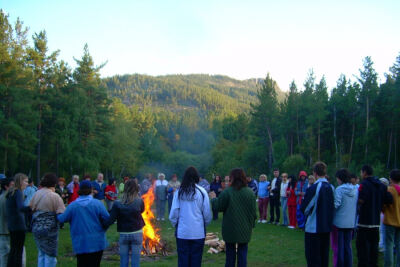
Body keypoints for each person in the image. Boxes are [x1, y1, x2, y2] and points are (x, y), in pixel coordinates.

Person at [210, 168, 257, 267]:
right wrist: (252, 226)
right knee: (242, 254)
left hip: (230, 229)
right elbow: (253, 213)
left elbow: (218, 207)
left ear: (232, 178)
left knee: (230, 256)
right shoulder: (250, 193)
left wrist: (214, 198)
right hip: (245, 228)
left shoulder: (227, 192)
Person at [57, 180, 109, 267]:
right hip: (97, 241)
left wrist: (57, 212)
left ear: (80, 190)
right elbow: (108, 219)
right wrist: (103, 229)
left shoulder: (73, 206)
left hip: (80, 242)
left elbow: (62, 219)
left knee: (82, 264)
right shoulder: (97, 204)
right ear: (91, 190)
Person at [169, 166, 212, 267]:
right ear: (196, 177)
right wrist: (204, 224)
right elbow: (207, 213)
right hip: (198, 233)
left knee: (183, 261)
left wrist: (175, 224)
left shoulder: (179, 192)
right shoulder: (202, 192)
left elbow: (174, 213)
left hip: (183, 233)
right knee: (196, 261)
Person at [357, 165, 393, 267]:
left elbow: (361, 200)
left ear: (364, 172)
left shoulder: (364, 184)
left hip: (364, 221)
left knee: (363, 249)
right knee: (374, 248)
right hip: (376, 222)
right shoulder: (381, 185)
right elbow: (389, 199)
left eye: (361, 172)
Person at [104, 179, 145, 267]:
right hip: (137, 233)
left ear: (125, 189)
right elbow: (141, 211)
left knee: (123, 261)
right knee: (135, 261)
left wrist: (101, 225)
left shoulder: (117, 203)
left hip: (123, 233)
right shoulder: (140, 201)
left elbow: (111, 220)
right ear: (136, 189)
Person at [300, 162, 334, 267]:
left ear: (314, 173)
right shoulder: (331, 187)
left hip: (314, 228)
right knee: (324, 257)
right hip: (327, 227)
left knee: (313, 258)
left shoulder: (314, 188)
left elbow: (305, 208)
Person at [30, 173, 65, 267]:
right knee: (50, 255)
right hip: (50, 230)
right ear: (54, 184)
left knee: (41, 253)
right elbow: (61, 213)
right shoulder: (55, 196)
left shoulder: (36, 193)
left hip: (36, 227)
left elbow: (31, 208)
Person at [331, 169, 358, 267]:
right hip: (350, 222)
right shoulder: (355, 189)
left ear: (340, 178)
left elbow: (336, 204)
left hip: (339, 222)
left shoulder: (339, 189)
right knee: (348, 247)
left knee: (339, 248)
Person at [5, 173, 29, 267]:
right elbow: (21, 207)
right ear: (20, 181)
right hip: (19, 225)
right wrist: (32, 207)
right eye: (26, 181)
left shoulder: (10, 192)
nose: (27, 183)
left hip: (12, 225)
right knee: (19, 251)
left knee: (13, 250)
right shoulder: (18, 192)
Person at [383, 169, 400, 267]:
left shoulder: (389, 190)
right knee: (399, 244)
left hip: (390, 220)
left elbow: (384, 205)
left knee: (389, 245)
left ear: (390, 178)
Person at [0, 177, 13, 267]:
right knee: (5, 256)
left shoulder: (2, 197)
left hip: (3, 230)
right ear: (6, 186)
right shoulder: (6, 198)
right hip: (6, 230)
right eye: (12, 185)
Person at [379, 177, 390, 253]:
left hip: (385, 213)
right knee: (381, 230)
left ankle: (384, 246)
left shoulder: (387, 191)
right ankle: (382, 244)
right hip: (382, 213)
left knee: (384, 230)